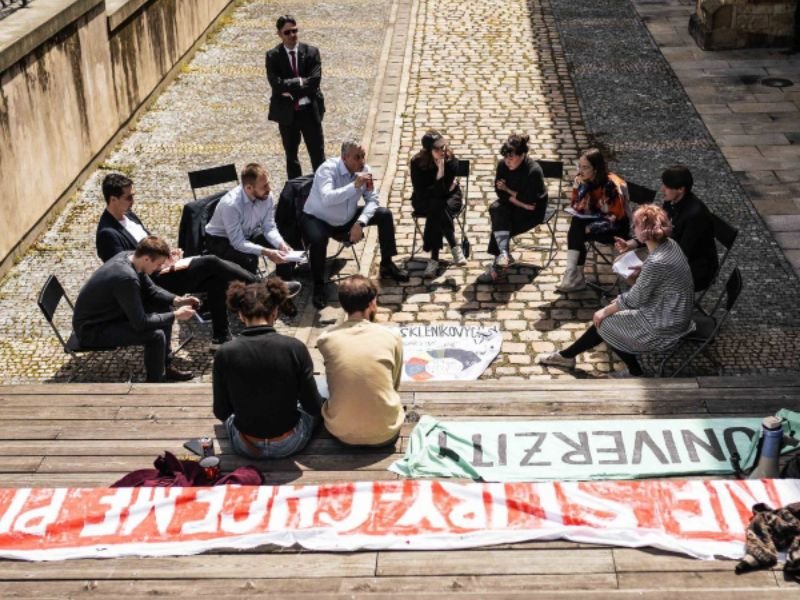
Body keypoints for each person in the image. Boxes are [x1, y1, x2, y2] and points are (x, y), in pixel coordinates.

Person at [96, 173, 259, 349]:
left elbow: (150, 246)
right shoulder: (107, 234)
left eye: (133, 195)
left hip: (162, 271)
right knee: (210, 262)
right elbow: (124, 272)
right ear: (113, 199)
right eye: (128, 197)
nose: (133, 200)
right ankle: (260, 285)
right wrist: (162, 266)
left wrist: (167, 256)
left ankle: (220, 337)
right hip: (152, 284)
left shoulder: (129, 216)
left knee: (215, 277)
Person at [539, 205, 695, 377]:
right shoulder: (669, 245)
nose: (632, 228)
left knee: (604, 321)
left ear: (643, 231)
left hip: (665, 323)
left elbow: (635, 299)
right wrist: (644, 268)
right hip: (674, 310)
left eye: (635, 225)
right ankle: (567, 356)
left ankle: (635, 372)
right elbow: (664, 273)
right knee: (610, 314)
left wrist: (605, 311)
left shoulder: (656, 262)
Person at [213, 278, 324, 459]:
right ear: (275, 312)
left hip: (245, 444)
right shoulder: (294, 347)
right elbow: (313, 406)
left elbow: (221, 411)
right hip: (289, 442)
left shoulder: (224, 353)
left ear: (240, 315)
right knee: (323, 390)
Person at [73, 236, 197, 382]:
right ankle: (155, 383)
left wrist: (177, 300)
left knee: (163, 307)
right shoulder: (126, 278)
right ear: (146, 259)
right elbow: (141, 323)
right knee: (155, 335)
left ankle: (164, 367)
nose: (158, 269)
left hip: (108, 315)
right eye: (158, 264)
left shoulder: (130, 257)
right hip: (93, 330)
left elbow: (151, 289)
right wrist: (175, 315)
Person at [302, 140, 409, 309]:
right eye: (357, 157)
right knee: (318, 238)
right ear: (344, 158)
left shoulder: (365, 170)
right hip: (319, 218)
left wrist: (360, 222)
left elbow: (372, 199)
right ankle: (319, 285)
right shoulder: (327, 169)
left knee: (384, 215)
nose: (362, 161)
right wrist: (354, 186)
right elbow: (327, 198)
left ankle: (387, 264)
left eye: (363, 156)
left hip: (348, 217)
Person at [318, 275, 404, 447]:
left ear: (343, 305)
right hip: (386, 431)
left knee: (321, 383)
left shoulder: (326, 339)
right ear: (372, 303)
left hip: (341, 432)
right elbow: (394, 383)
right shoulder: (392, 336)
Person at [615, 165, 717, 292]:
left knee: (638, 275)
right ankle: (643, 299)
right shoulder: (671, 201)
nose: (662, 190)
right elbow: (658, 230)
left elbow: (682, 254)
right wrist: (633, 243)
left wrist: (648, 266)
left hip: (692, 267)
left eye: (667, 187)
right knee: (620, 262)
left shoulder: (695, 215)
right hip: (667, 252)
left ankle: (647, 304)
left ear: (680, 189)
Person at [556, 148, 629, 293]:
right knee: (577, 224)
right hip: (594, 220)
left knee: (578, 231)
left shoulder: (611, 185)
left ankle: (573, 277)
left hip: (616, 227)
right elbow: (577, 207)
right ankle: (572, 274)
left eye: (585, 167)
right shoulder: (584, 180)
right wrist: (581, 187)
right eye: (579, 166)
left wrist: (593, 227)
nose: (580, 171)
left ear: (595, 169)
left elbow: (615, 217)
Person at [205, 163, 298, 276]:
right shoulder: (231, 205)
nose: (269, 189)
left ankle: (282, 287)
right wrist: (268, 252)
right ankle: (250, 290)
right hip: (220, 239)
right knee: (249, 260)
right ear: (249, 188)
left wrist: (281, 244)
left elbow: (269, 227)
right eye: (264, 186)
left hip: (248, 231)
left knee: (284, 252)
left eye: (268, 184)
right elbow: (238, 242)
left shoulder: (266, 196)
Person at [478, 134, 548, 283]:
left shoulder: (533, 171)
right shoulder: (503, 165)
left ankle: (498, 266)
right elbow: (499, 192)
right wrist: (519, 200)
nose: (507, 161)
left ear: (522, 155)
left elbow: (531, 201)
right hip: (518, 206)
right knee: (496, 208)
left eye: (511, 158)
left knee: (500, 225)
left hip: (533, 213)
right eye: (505, 157)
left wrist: (509, 190)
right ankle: (503, 254)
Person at [266, 14, 326, 180]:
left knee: (318, 155)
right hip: (288, 115)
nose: (292, 35)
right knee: (291, 158)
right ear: (279, 34)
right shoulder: (273, 56)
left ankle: (322, 190)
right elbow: (276, 85)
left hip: (309, 112)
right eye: (287, 32)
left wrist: (290, 88)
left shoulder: (311, 52)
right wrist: (300, 82)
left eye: (294, 31)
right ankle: (296, 194)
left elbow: (314, 81)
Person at [410, 130, 467, 278]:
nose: (442, 151)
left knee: (437, 207)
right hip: (423, 201)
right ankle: (454, 246)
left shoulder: (451, 161)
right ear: (428, 151)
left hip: (450, 198)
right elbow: (421, 191)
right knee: (437, 205)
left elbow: (441, 191)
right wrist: (440, 177)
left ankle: (434, 259)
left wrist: (441, 169)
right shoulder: (416, 163)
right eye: (437, 149)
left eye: (443, 147)